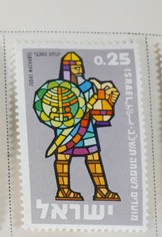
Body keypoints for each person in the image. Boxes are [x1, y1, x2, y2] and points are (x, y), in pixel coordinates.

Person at [34, 52, 120, 202]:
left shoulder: (89, 86)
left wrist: (108, 101)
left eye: (80, 65)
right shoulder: (60, 89)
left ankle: (102, 190)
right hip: (66, 129)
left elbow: (98, 112)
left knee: (93, 158)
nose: (79, 68)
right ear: (67, 68)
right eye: (75, 66)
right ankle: (64, 190)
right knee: (63, 158)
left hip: (87, 129)